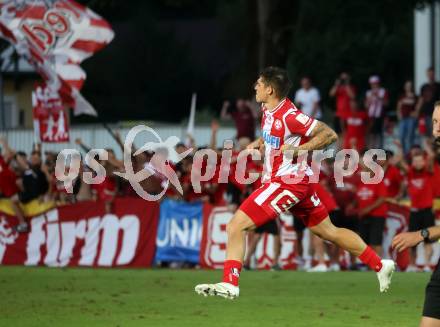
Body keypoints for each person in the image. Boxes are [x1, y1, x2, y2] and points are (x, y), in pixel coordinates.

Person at [195, 66, 395, 299]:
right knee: (329, 231)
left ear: (270, 89)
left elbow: (330, 134)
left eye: (258, 84)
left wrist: (299, 149)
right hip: (295, 182)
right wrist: (260, 142)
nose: (255, 87)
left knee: (235, 226)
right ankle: (381, 265)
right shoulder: (267, 109)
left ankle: (230, 283)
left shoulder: (291, 116)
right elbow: (273, 134)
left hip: (287, 183)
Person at [392, 100, 440, 327]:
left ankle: (424, 260)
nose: (436, 128)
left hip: (425, 216)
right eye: (434, 122)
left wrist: (420, 234)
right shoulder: (413, 171)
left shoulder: (431, 169)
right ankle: (417, 263)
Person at [365, 75, 389, 148]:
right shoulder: (368, 93)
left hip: (379, 116)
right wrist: (369, 99)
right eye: (372, 84)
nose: (374, 85)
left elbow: (386, 103)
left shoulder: (383, 91)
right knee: (371, 134)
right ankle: (371, 149)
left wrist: (378, 97)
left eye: (375, 83)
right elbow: (366, 105)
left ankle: (379, 150)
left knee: (379, 134)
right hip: (370, 116)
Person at [397, 80, 417, 154]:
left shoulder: (415, 96)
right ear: (405, 87)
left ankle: (408, 154)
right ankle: (404, 153)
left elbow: (417, 108)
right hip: (403, 119)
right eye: (407, 86)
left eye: (410, 86)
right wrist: (399, 114)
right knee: (401, 137)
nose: (408, 87)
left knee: (409, 137)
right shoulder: (402, 96)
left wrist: (415, 114)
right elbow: (398, 107)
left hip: (411, 119)